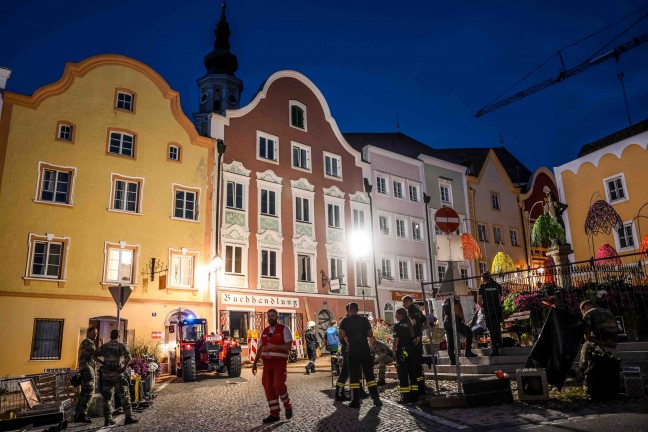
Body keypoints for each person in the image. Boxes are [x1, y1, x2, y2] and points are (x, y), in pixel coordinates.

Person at [252, 309, 294, 424]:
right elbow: (260, 348)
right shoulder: (265, 331)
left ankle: (287, 405)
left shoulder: (284, 329)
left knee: (278, 384)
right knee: (268, 387)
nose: (270, 318)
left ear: (277, 316)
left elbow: (289, 346)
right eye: (269, 316)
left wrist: (272, 346)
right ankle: (274, 414)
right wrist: (254, 363)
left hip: (279, 363)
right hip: (267, 364)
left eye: (272, 315)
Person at [338, 302, 382, 408]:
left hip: (353, 351)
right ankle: (376, 399)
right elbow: (370, 334)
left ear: (348, 310)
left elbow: (341, 335)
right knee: (369, 375)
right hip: (365, 350)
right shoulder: (364, 320)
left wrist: (348, 335)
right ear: (358, 309)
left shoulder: (345, 321)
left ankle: (355, 401)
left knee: (354, 376)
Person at [93, 330, 138, 427]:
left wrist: (103, 363)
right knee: (124, 396)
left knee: (107, 398)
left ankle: (108, 419)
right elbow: (128, 358)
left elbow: (94, 355)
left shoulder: (104, 346)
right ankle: (128, 417)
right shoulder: (121, 346)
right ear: (119, 336)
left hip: (106, 376)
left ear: (110, 336)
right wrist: (123, 368)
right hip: (118, 375)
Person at [578, 300, 618, 376]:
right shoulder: (608, 311)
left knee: (586, 346)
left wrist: (590, 338)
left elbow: (587, 336)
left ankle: (581, 373)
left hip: (601, 344)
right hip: (613, 343)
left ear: (583, 309)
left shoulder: (587, 314)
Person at [392, 308, 419, 403]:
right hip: (412, 351)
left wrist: (394, 350)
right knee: (412, 373)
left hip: (402, 352)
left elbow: (396, 340)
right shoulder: (411, 325)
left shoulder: (398, 326)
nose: (395, 316)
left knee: (403, 374)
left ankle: (405, 397)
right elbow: (417, 339)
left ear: (401, 315)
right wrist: (411, 346)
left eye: (396, 314)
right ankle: (415, 396)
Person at [402, 296, 427, 396]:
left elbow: (413, 322)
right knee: (418, 362)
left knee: (413, 363)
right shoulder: (418, 309)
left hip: (414, 339)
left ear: (407, 302)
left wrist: (409, 331)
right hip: (419, 338)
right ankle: (421, 383)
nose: (403, 305)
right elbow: (426, 321)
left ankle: (415, 385)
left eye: (404, 303)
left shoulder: (411, 310)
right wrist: (421, 330)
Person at [442, 297, 476, 365]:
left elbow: (442, 314)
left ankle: (452, 360)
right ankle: (468, 352)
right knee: (468, 332)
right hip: (454, 320)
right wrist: (462, 317)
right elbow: (456, 311)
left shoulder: (444, 301)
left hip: (446, 321)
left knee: (450, 341)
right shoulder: (453, 300)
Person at [74, 326, 97, 424]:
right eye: (94, 333)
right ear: (89, 333)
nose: (95, 335)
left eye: (96, 333)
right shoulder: (88, 342)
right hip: (88, 370)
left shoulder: (86, 342)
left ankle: (78, 414)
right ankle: (82, 414)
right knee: (89, 392)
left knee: (84, 392)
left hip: (85, 369)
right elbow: (96, 354)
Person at [477, 271, 503, 356]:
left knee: (491, 329)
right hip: (496, 310)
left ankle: (494, 347)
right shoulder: (497, 286)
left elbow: (479, 301)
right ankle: (500, 344)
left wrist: (484, 306)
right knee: (497, 327)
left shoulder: (482, 287)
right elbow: (499, 300)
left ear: (484, 279)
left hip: (488, 310)